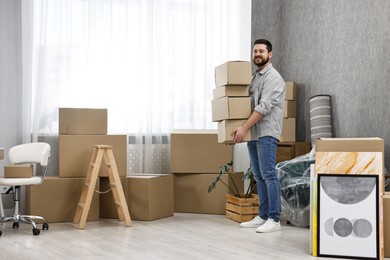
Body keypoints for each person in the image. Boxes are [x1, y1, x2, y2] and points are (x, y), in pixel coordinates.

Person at [232, 39, 285, 233]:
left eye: (261, 51)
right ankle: (263, 216)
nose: (257, 54)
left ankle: (274, 218)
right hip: (254, 133)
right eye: (255, 51)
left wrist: (244, 127)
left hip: (267, 132)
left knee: (269, 174)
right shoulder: (255, 78)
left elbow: (263, 107)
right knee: (259, 175)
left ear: (270, 54)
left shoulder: (273, 78)